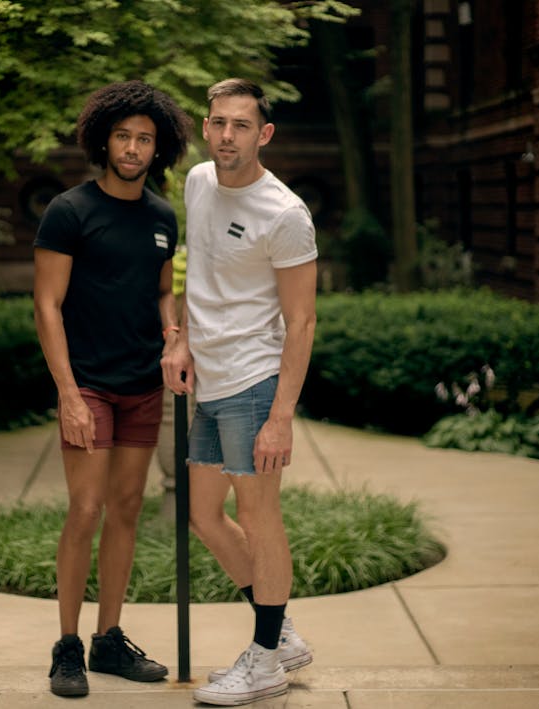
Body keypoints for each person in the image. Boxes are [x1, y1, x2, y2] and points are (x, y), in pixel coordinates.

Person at [160, 77, 318, 706]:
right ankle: (281, 636)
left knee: (258, 517)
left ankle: (265, 661)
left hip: (255, 381)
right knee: (203, 515)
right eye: (219, 123)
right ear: (206, 126)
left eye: (242, 125)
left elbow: (302, 321)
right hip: (211, 379)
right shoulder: (197, 182)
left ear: (264, 134)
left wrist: (281, 417)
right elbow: (197, 272)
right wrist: (180, 341)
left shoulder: (284, 213)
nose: (228, 136)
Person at [33, 80, 192, 698]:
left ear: (160, 148)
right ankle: (67, 647)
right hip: (90, 386)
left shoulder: (160, 215)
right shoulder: (69, 211)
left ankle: (107, 641)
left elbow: (160, 291)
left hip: (142, 384)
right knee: (86, 510)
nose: (132, 147)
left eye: (144, 139)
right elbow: (47, 306)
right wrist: (69, 394)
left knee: (126, 509)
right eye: (123, 136)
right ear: (104, 140)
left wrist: (174, 337)